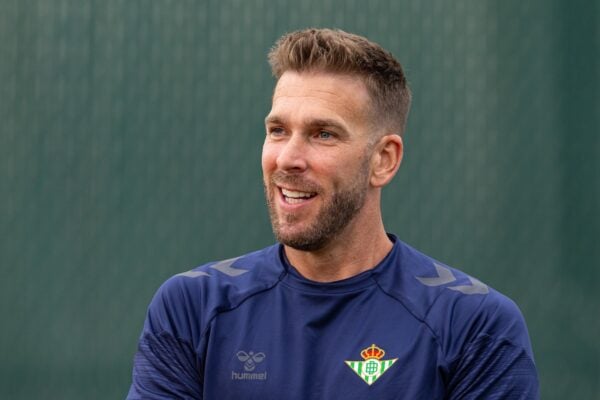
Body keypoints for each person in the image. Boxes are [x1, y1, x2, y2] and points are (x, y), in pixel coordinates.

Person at [128, 28, 539, 399]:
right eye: (277, 131)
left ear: (384, 160)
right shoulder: (192, 307)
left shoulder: (474, 324)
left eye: (323, 134)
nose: (288, 158)